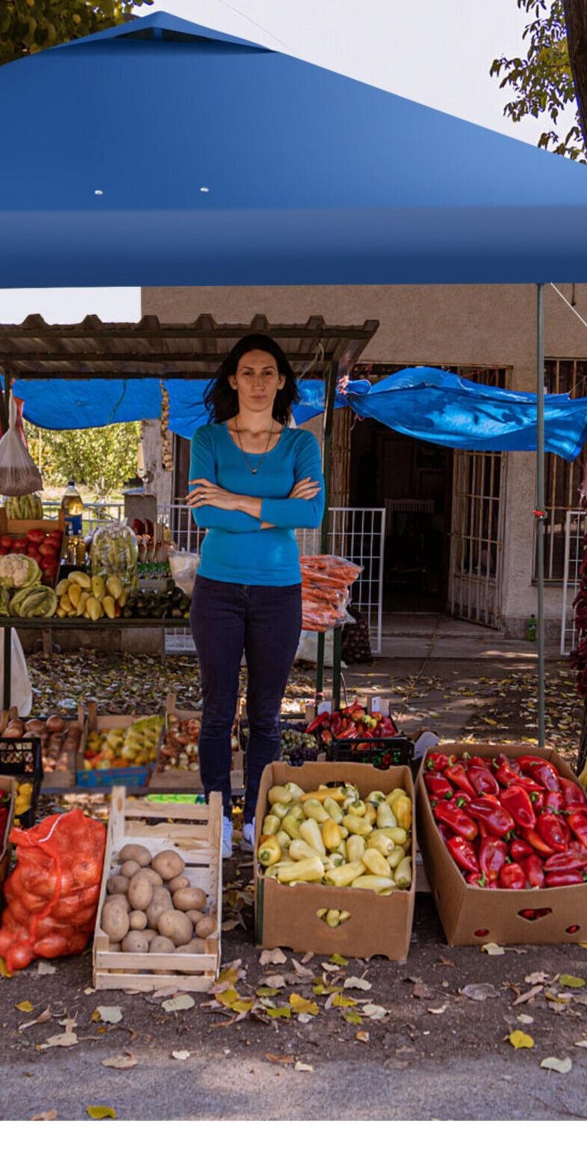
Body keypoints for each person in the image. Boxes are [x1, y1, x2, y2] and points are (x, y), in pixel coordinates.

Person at [187, 335, 324, 858]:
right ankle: (218, 814)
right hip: (218, 589)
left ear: (283, 381)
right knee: (218, 711)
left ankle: (258, 816)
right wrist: (273, 505)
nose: (259, 382)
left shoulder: (301, 445)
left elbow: (309, 515)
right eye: (248, 372)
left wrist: (235, 498)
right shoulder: (208, 439)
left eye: (269, 372)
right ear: (232, 380)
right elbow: (205, 515)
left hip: (278, 593)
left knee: (266, 715)